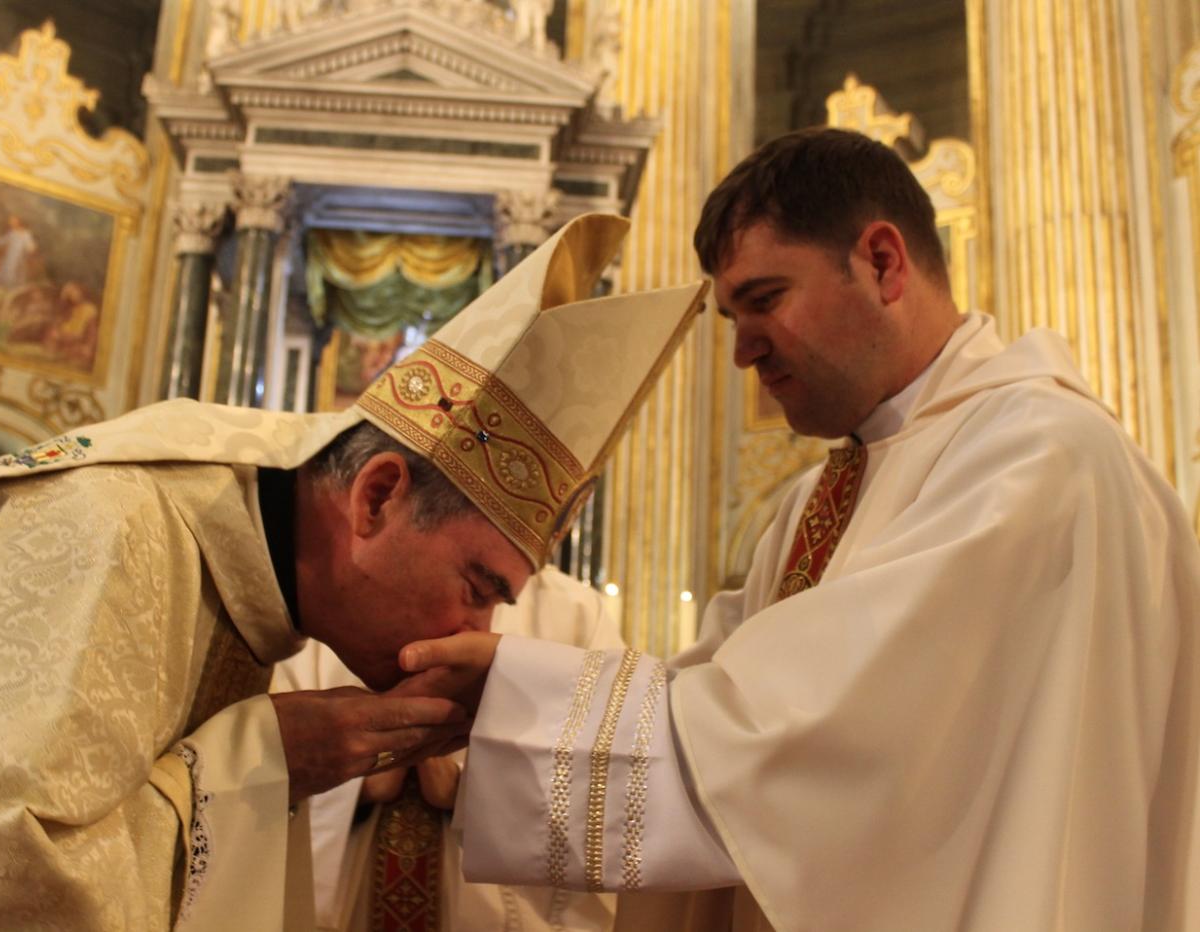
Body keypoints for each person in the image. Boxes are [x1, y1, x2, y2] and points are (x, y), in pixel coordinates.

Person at [0, 213, 708, 931]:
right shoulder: (114, 527)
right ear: (378, 496)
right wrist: (266, 758)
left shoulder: (235, 571)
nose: (477, 635)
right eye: (478, 588)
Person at [399, 128, 1200, 932]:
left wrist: (522, 701)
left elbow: (821, 741)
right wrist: (506, 717)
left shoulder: (1037, 459)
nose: (743, 350)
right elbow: (719, 701)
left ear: (883, 263)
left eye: (765, 299)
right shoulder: (823, 491)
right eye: (730, 315)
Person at [272, 565, 625, 932]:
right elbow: (266, 753)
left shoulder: (574, 613)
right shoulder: (341, 586)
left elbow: (610, 802)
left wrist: (466, 793)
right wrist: (353, 783)